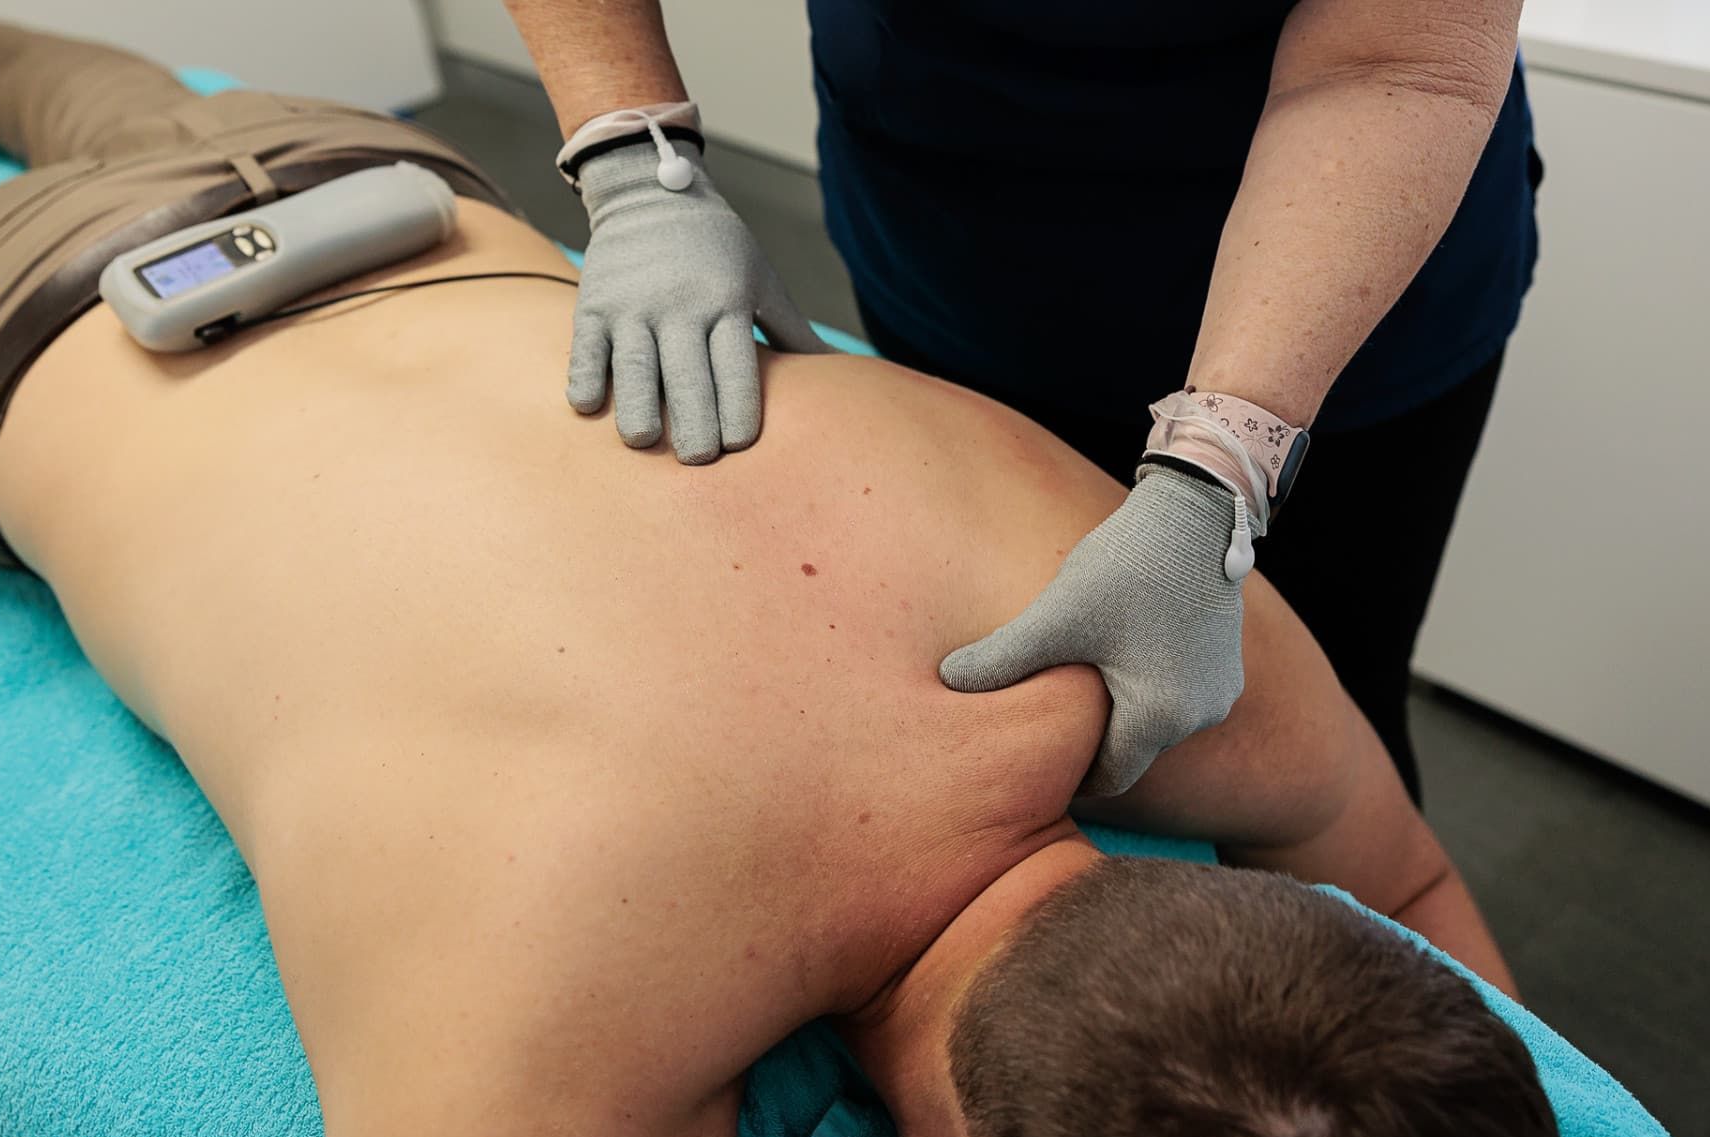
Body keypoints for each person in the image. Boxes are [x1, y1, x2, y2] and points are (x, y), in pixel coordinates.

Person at [0, 15, 1570, 1137]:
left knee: (98, 90)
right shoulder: (548, 1066)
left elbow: (1412, 896)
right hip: (21, 328)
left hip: (385, 192)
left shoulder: (1151, 622)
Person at [504, 0, 1543, 805]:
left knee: (1318, 722)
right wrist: (633, 164)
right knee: (1006, 716)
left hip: (1335, 249)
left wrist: (1219, 469)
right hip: (950, 212)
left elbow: (1395, 57)